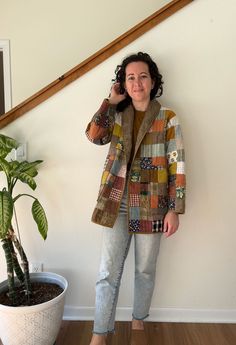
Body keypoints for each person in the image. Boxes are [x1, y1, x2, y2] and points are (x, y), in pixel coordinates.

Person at [86, 52, 186, 345]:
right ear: (123, 83)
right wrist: (110, 101)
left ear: (153, 81)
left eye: (143, 76)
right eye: (130, 77)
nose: (137, 82)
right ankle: (99, 333)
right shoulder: (116, 114)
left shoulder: (168, 117)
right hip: (116, 201)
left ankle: (138, 321)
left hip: (152, 205)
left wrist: (174, 209)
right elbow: (93, 136)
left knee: (144, 269)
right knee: (108, 271)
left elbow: (177, 163)